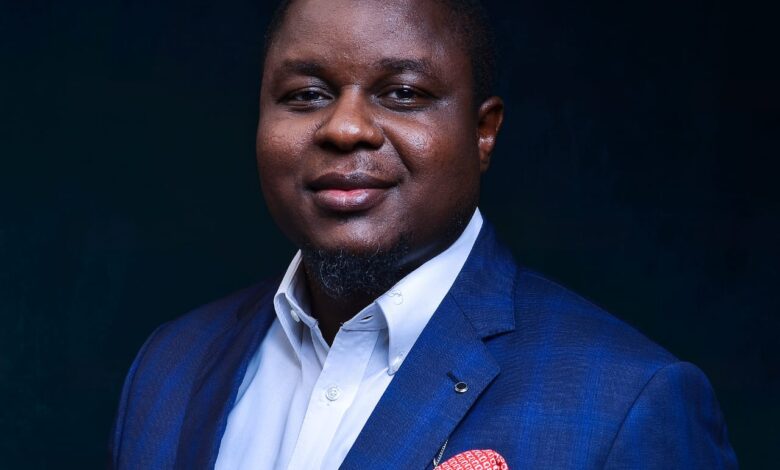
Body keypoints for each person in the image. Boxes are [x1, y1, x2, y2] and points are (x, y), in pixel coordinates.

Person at [109, 0, 737, 468]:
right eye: (306, 95)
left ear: (483, 132)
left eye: (403, 93)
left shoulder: (628, 404)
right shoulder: (171, 366)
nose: (345, 128)